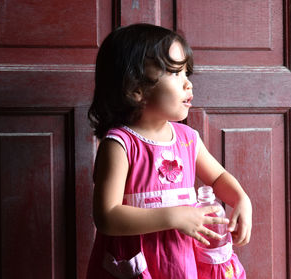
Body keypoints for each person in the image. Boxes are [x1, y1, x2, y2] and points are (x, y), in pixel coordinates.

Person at [87, 23, 252, 279]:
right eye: (176, 73)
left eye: (187, 73)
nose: (188, 84)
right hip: (139, 262)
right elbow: (106, 216)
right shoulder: (120, 144)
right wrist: (173, 216)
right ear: (136, 88)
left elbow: (218, 178)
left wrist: (241, 198)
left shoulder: (187, 139)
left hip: (181, 259)